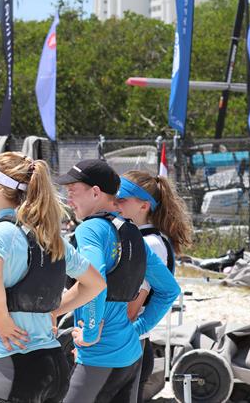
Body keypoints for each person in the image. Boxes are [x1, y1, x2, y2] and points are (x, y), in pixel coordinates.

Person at [0, 152, 106, 403]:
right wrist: (54, 311)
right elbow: (96, 283)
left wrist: (1, 318)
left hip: (15, 364)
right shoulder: (52, 237)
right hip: (54, 365)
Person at [55, 159, 180, 403]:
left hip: (99, 355)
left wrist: (90, 334)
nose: (68, 199)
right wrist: (138, 330)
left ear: (95, 192)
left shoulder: (90, 229)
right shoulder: (132, 232)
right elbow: (169, 290)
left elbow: (95, 282)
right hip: (131, 355)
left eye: (73, 191)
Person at [117, 170, 192, 403]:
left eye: (122, 199)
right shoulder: (140, 238)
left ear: (144, 206)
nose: (114, 203)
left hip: (131, 346)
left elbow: (131, 309)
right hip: (130, 344)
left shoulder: (150, 243)